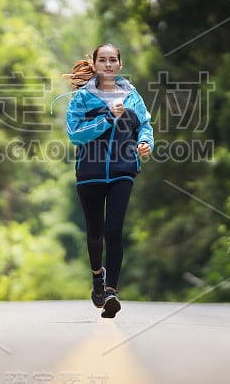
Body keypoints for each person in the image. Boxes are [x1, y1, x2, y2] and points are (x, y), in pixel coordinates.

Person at [63, 43, 154, 318]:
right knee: (95, 232)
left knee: (114, 229)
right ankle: (97, 280)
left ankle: (112, 291)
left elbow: (144, 126)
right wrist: (106, 118)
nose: (108, 64)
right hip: (89, 172)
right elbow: (75, 134)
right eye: (103, 60)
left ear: (120, 65)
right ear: (95, 64)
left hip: (123, 169)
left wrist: (145, 143)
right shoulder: (82, 98)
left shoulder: (132, 97)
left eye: (113, 60)